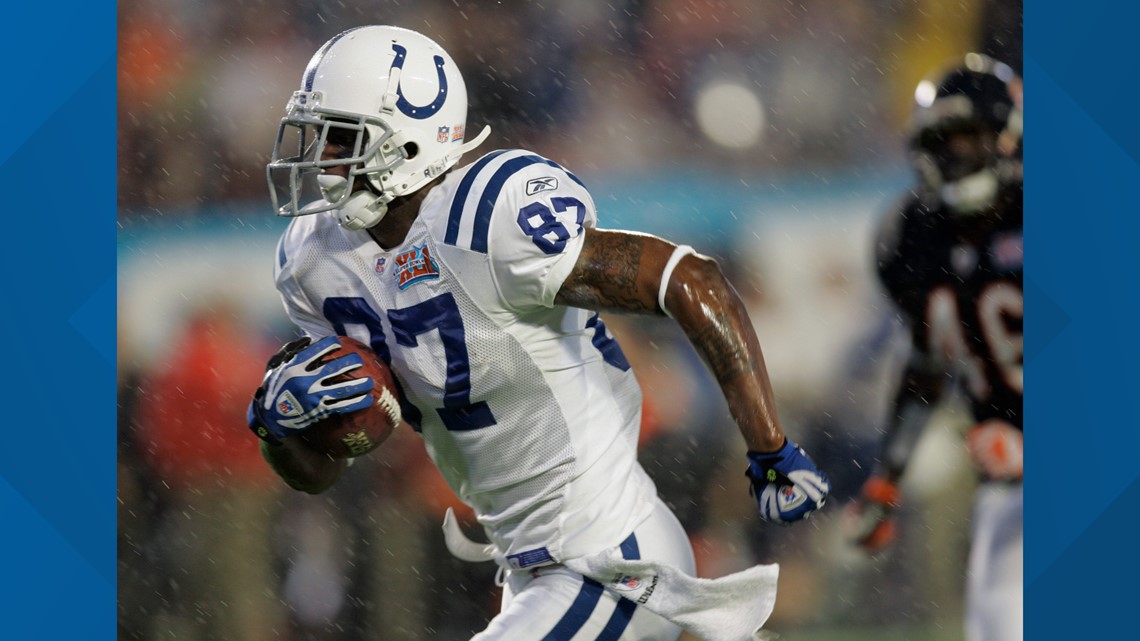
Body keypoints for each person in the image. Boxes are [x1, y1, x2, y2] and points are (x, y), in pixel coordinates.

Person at [246, 25, 829, 641]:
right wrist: (277, 427)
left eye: (341, 138)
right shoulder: (316, 261)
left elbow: (691, 280)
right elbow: (324, 466)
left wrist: (770, 448)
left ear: (408, 140)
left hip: (611, 557)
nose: (322, 159)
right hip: (526, 570)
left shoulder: (487, 216)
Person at [846, 53, 1023, 641]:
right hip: (1009, 487)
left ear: (1007, 135)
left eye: (967, 138)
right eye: (941, 142)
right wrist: (888, 478)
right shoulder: (914, 239)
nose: (953, 156)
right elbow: (928, 361)